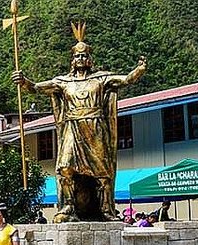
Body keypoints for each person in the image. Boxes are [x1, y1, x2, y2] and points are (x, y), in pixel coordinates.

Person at [13, 22, 146, 222]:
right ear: (72, 60)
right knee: (65, 167)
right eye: (77, 56)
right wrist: (23, 81)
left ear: (89, 59)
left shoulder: (101, 79)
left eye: (84, 55)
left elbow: (125, 80)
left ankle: (106, 210)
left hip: (95, 128)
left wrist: (139, 70)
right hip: (72, 129)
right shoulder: (63, 82)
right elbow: (36, 88)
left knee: (102, 172)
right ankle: (68, 207)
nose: (80, 58)